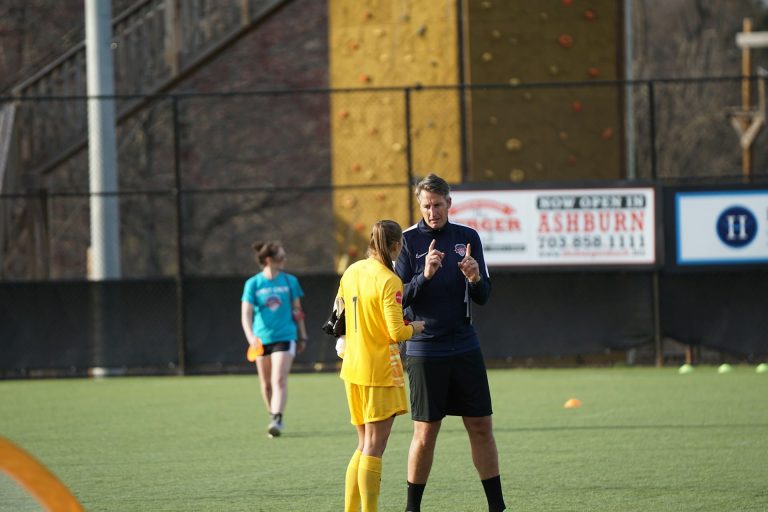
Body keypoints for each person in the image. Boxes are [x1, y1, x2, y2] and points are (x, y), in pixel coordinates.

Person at [394, 174, 507, 512]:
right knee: (425, 433)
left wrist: (474, 278)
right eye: (426, 206)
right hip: (425, 348)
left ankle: (497, 506)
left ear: (449, 203)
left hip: (464, 344)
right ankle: (412, 508)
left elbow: (483, 295)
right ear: (419, 205)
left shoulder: (467, 237)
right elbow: (397, 298)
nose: (432, 212)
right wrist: (423, 275)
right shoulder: (407, 242)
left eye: (438, 205)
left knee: (481, 427)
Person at [336, 220, 425, 512]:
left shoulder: (352, 270)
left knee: (363, 444)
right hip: (379, 370)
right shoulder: (389, 280)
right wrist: (418, 327)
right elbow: (396, 332)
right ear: (396, 246)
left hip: (353, 367)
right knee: (375, 446)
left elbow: (340, 311)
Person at [241, 241, 308, 438]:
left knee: (278, 379)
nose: (284, 260)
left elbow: (297, 311)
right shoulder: (253, 284)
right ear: (269, 260)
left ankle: (277, 418)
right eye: (281, 257)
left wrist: (302, 335)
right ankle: (273, 415)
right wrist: (251, 338)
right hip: (261, 339)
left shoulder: (290, 282)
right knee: (266, 383)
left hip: (285, 336)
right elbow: (246, 314)